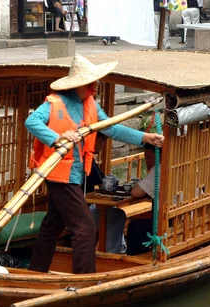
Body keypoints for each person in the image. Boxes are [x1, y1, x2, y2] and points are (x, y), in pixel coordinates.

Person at [24, 54, 165, 274]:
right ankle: (84, 277)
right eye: (92, 83)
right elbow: (31, 122)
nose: (96, 86)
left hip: (76, 174)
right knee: (85, 228)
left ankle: (36, 270)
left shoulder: (90, 104)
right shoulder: (55, 103)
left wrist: (144, 138)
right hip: (60, 175)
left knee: (53, 224)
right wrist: (57, 137)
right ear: (81, 85)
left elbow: (111, 128)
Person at [126, 144, 157, 255]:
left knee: (135, 227)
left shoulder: (159, 170)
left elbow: (135, 192)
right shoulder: (182, 163)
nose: (146, 162)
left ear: (159, 156)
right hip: (188, 214)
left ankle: (136, 258)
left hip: (169, 221)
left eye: (148, 158)